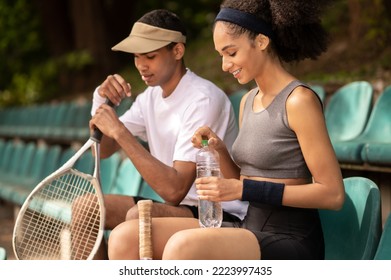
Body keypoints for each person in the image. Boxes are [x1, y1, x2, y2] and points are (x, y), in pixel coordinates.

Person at [107, 0, 345, 260]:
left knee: (182, 248)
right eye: (221, 55)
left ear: (262, 42)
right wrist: (219, 150)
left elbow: (332, 194)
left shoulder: (299, 100)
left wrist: (244, 191)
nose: (224, 65)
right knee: (127, 236)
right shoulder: (248, 100)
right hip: (250, 226)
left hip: (290, 238)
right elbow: (246, 179)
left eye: (231, 53)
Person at [86, 9, 248, 259]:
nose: (141, 65)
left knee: (138, 217)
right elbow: (104, 149)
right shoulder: (149, 97)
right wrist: (102, 102)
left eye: (150, 56)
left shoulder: (202, 99)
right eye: (136, 57)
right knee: (86, 209)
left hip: (218, 213)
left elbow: (174, 190)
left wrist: (120, 131)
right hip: (181, 208)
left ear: (177, 51)